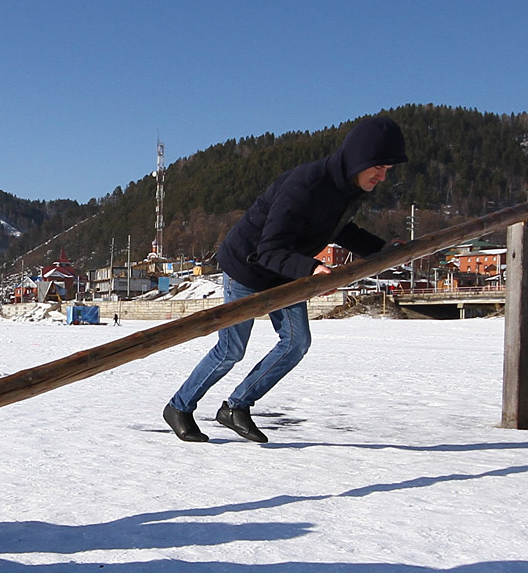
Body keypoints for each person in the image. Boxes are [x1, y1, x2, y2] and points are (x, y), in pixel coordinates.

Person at [161, 115, 407, 443]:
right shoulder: (305, 184)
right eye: (379, 166)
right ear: (359, 157)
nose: (382, 176)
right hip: (248, 267)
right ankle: (179, 407)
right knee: (231, 350)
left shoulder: (345, 190)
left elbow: (340, 229)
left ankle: (236, 407)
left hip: (284, 270)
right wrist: (312, 270)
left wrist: (380, 248)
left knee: (296, 343)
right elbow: (268, 250)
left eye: (388, 170)